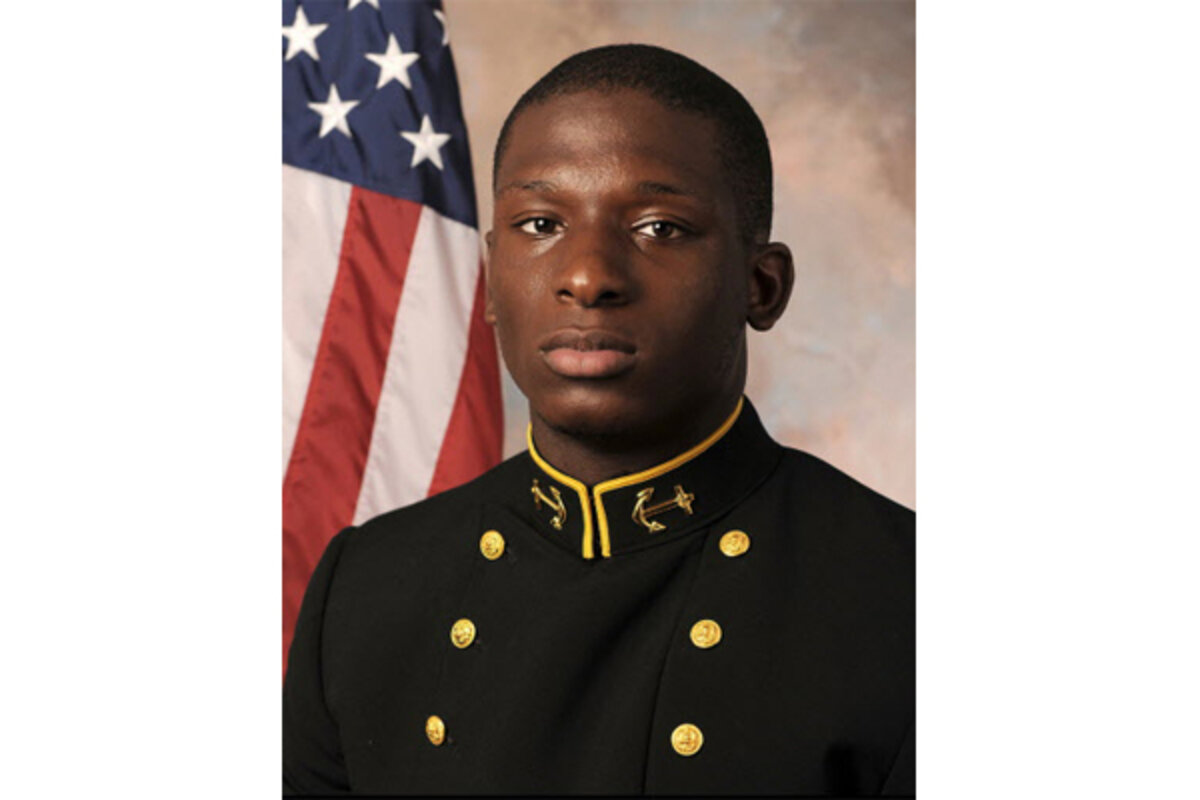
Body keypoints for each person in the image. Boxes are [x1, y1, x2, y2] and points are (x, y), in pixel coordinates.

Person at [283, 44, 914, 796]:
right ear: (491, 281)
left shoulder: (904, 597)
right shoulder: (364, 588)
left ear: (762, 286)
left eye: (659, 228)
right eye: (541, 222)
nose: (587, 277)